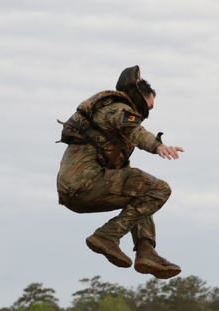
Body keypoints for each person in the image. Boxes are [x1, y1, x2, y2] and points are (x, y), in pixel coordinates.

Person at [56, 65, 185, 279]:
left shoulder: (109, 125)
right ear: (139, 99)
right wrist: (158, 146)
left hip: (76, 190)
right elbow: (135, 130)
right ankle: (107, 236)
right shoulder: (117, 108)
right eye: (149, 107)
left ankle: (146, 251)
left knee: (144, 190)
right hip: (85, 181)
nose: (147, 114)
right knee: (161, 189)